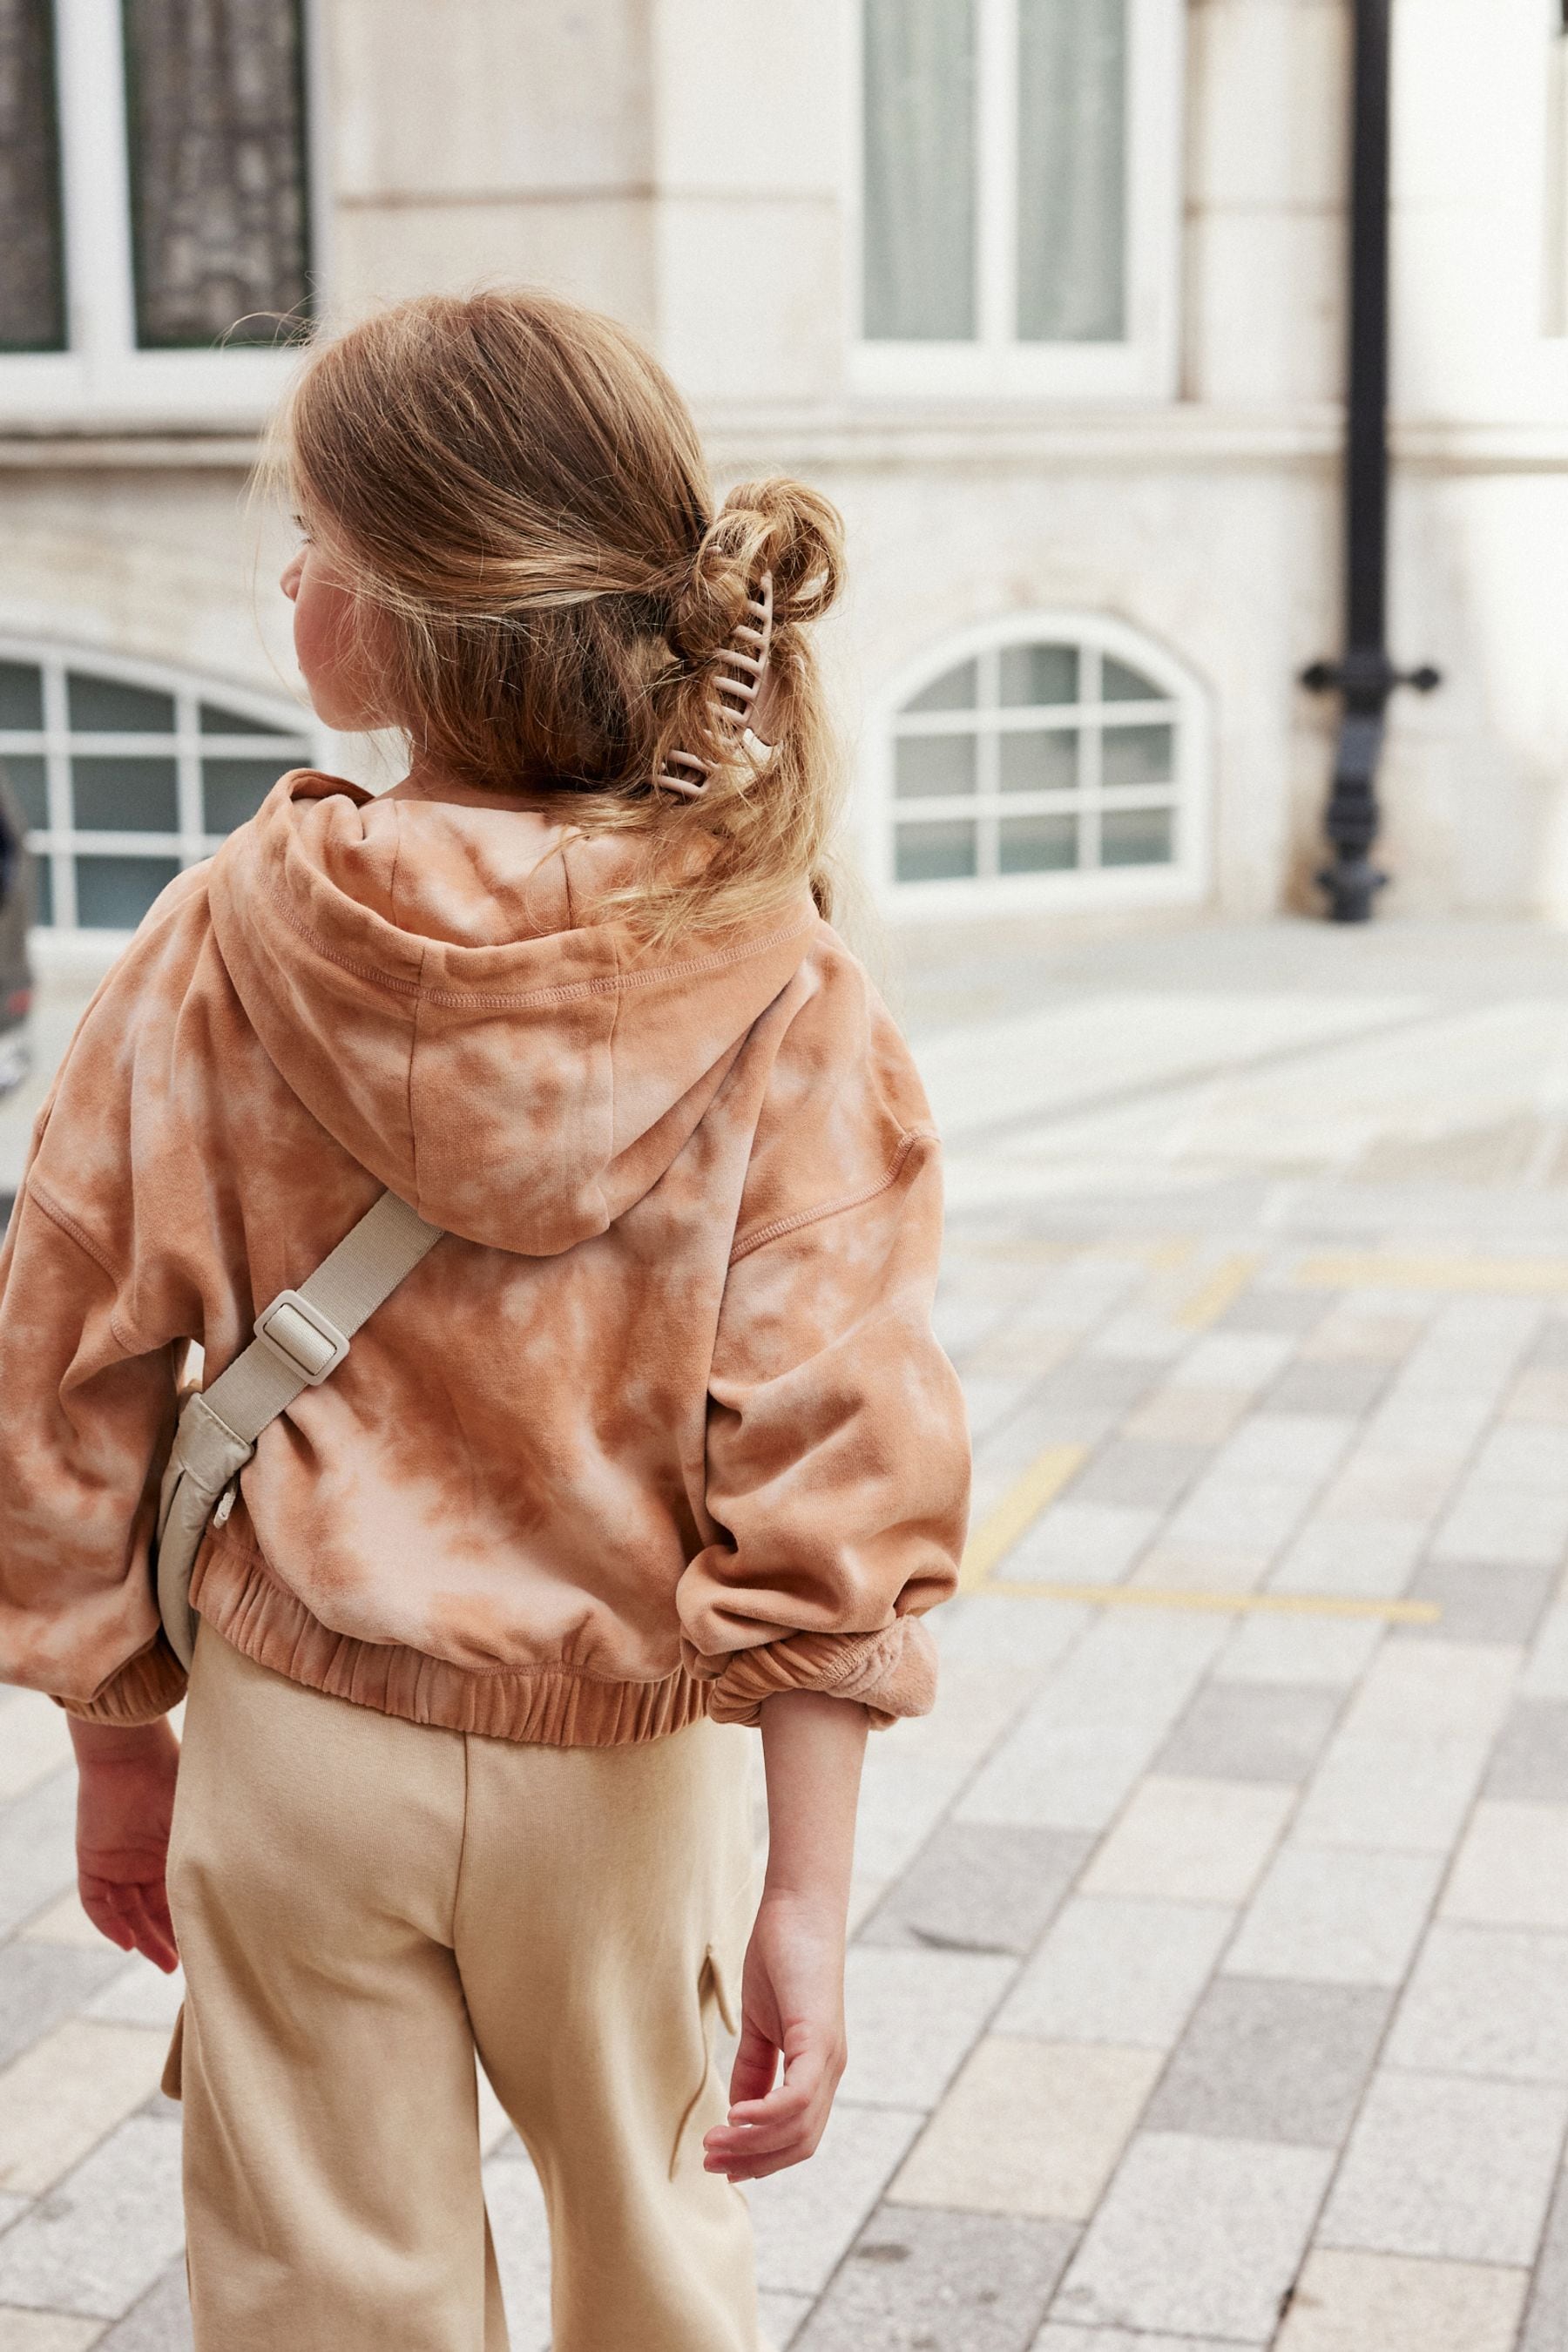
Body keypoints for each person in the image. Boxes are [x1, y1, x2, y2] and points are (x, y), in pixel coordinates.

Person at [0, 289, 970, 2352]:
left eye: (320, 549)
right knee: (655, 2258)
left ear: (408, 624)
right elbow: (837, 1444)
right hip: (619, 1778)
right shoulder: (779, 981)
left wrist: (116, 1735)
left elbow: (66, 1357)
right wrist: (807, 1884)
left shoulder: (222, 938)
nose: (290, 578)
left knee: (319, 2287)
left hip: (300, 1734)